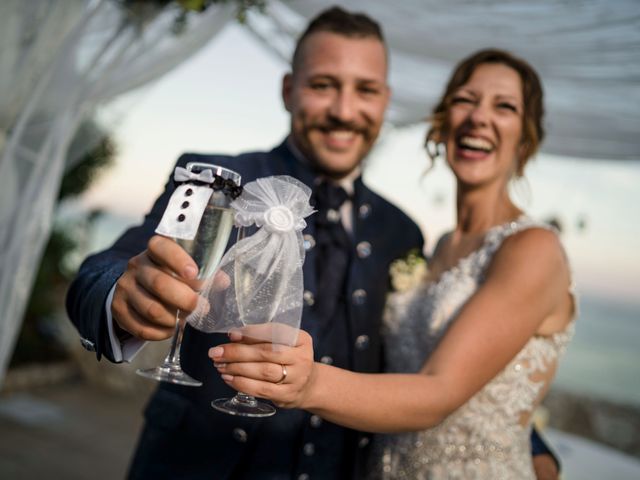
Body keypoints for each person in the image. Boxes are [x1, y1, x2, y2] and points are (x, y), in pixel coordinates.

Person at [66, 5, 558, 478]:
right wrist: (119, 294)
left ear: (384, 101)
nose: (344, 111)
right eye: (324, 86)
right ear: (288, 90)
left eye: (364, 90)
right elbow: (105, 268)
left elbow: (430, 354)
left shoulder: (400, 232)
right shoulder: (217, 181)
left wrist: (523, 443)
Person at [210, 48, 575, 479]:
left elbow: (442, 390)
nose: (479, 117)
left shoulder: (534, 249)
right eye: (465, 99)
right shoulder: (426, 246)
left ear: (526, 137)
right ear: (442, 122)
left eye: (505, 106)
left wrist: (309, 384)